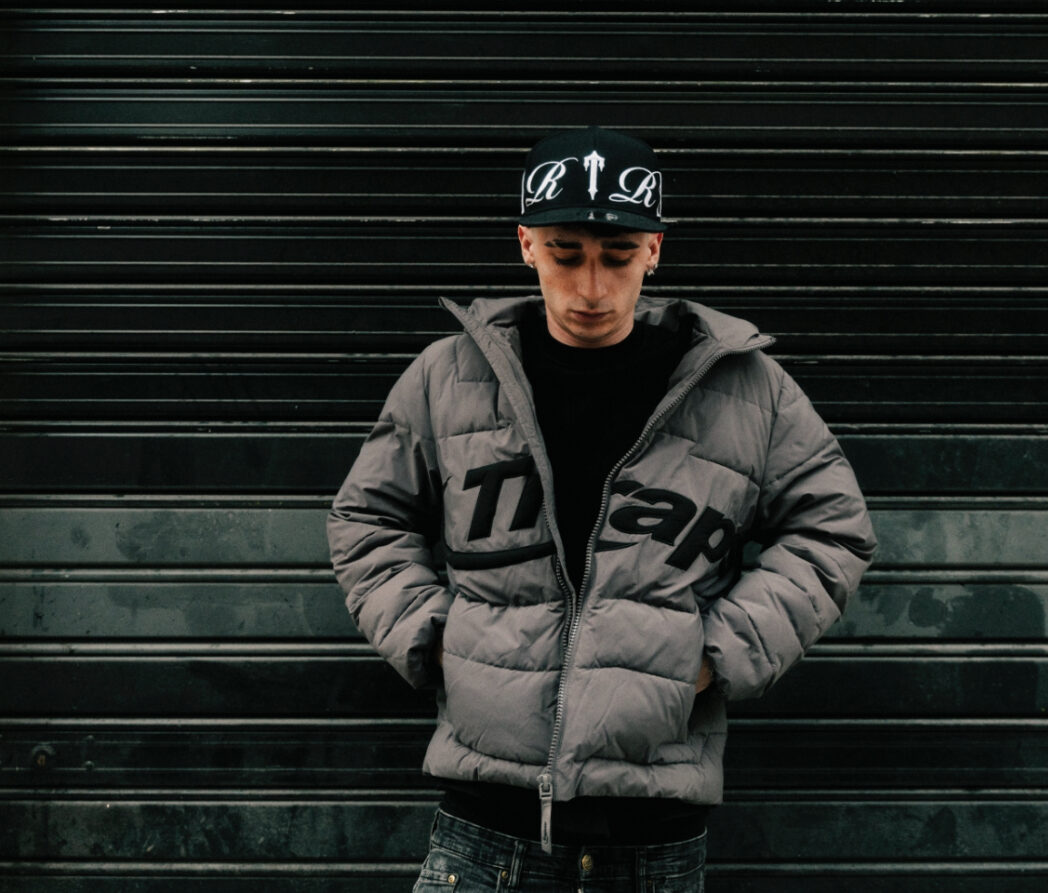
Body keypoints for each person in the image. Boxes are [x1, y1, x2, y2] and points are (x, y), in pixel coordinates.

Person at [327, 126, 877, 892]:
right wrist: (437, 639)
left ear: (654, 250)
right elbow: (368, 518)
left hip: (653, 843)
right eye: (565, 254)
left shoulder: (745, 389)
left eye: (618, 258)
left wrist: (714, 656)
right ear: (526, 244)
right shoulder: (448, 378)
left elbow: (833, 529)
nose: (591, 289)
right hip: (482, 836)